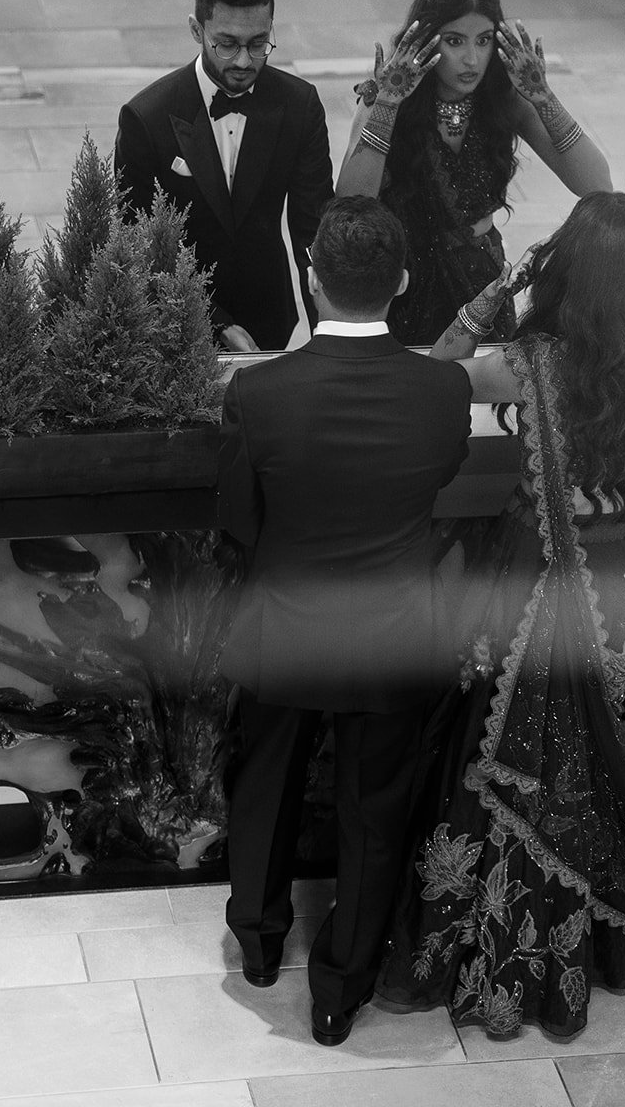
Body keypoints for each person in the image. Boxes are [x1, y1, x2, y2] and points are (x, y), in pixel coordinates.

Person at [378, 191, 625, 1039]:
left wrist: (504, 284)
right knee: (624, 742)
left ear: (566, 272)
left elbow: (439, 365)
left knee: (535, 756)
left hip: (547, 577)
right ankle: (605, 949)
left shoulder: (531, 364)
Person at [217, 196, 473, 1046]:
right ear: (400, 284)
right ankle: (338, 992)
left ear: (311, 278)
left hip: (285, 626)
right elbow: (440, 480)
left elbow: (241, 525)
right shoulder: (443, 391)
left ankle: (256, 942)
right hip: (393, 636)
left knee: (264, 790)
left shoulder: (260, 393)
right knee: (374, 818)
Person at [337, 0, 611, 346]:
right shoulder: (388, 97)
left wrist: (544, 99)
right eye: (455, 41)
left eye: (483, 41)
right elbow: (352, 206)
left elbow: (597, 186)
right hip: (403, 283)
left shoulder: (501, 99)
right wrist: (387, 104)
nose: (471, 59)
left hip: (481, 287)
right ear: (427, 42)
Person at [114, 0, 334, 351]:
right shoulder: (144, 118)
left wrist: (330, 334)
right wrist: (214, 323)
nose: (245, 60)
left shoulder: (299, 105)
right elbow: (139, 242)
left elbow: (313, 227)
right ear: (197, 29)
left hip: (270, 317)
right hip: (174, 321)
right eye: (227, 44)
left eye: (258, 43)